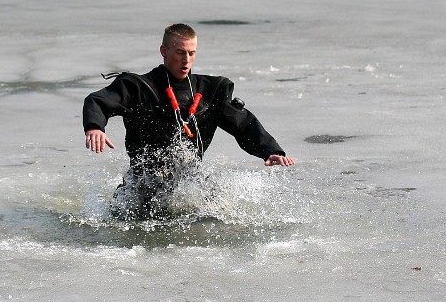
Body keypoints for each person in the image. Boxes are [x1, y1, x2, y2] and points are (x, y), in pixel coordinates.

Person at [83, 23, 294, 217]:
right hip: (141, 189)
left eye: (191, 53)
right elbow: (98, 101)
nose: (186, 60)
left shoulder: (210, 91)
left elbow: (243, 123)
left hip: (189, 187)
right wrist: (95, 127)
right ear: (164, 52)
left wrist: (271, 150)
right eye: (180, 52)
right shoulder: (137, 87)